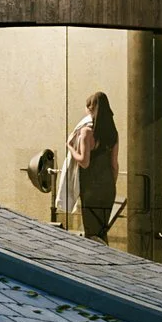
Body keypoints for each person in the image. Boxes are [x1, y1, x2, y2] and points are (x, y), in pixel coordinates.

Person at [68, 89, 118, 239]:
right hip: (108, 188)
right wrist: (111, 184)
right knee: (102, 233)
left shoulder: (86, 132)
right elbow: (114, 165)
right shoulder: (113, 133)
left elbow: (84, 162)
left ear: (90, 108)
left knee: (92, 234)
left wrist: (70, 147)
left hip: (91, 189)